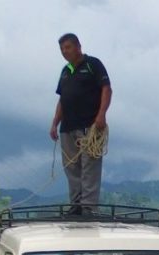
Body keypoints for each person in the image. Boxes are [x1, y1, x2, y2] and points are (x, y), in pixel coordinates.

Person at [49, 33, 111, 214]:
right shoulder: (65, 71)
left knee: (89, 167)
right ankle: (76, 205)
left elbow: (106, 89)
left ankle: (88, 207)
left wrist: (101, 114)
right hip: (67, 126)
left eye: (67, 47)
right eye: (61, 49)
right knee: (71, 167)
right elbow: (62, 99)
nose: (64, 51)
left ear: (78, 46)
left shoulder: (93, 64)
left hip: (89, 125)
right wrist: (54, 122)